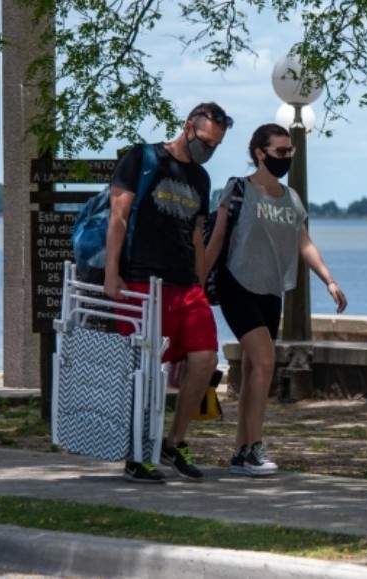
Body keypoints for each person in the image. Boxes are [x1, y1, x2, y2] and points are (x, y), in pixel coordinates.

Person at [205, 123, 347, 477]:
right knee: (266, 361)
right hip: (237, 285)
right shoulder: (237, 190)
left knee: (256, 368)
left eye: (290, 152)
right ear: (260, 153)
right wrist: (195, 283)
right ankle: (254, 447)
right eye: (281, 151)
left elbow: (304, 243)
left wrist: (328, 280)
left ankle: (240, 452)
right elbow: (217, 240)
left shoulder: (291, 198)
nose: (287, 157)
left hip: (271, 292)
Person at [104, 101, 233, 483]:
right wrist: (112, 274)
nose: (207, 150)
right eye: (205, 141)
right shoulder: (143, 159)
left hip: (185, 285)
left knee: (205, 359)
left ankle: (173, 442)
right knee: (146, 372)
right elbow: (118, 217)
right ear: (188, 127)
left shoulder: (202, 179)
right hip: (143, 280)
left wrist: (200, 279)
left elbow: (196, 233)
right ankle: (137, 453)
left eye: (215, 146)